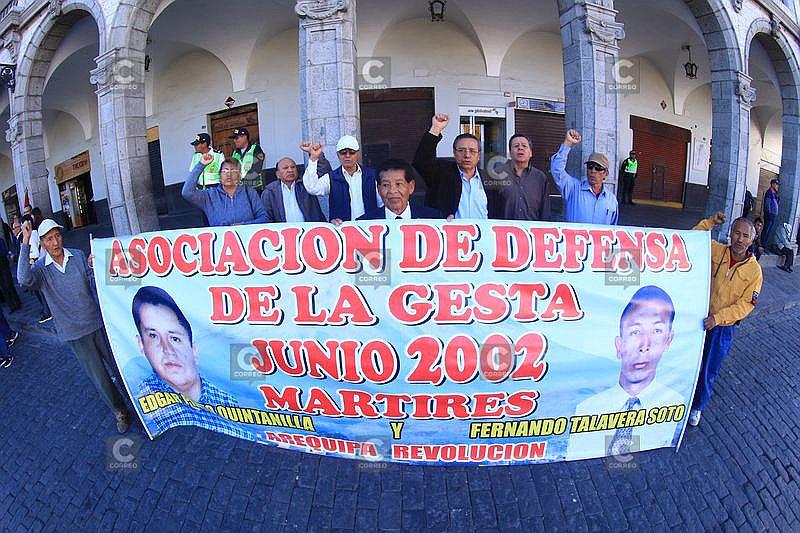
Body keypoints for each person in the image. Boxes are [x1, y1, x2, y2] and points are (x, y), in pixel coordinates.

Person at [17, 219, 131, 433]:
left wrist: (93, 267)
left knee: (119, 366)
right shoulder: (41, 270)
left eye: (57, 236)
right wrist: (25, 241)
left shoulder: (77, 256)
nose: (55, 242)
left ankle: (135, 400)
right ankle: (120, 411)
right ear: (42, 243)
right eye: (48, 239)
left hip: (97, 323)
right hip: (75, 334)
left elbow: (93, 283)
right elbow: (23, 279)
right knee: (100, 377)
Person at [566, 286, 683, 461]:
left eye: (656, 331)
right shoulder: (586, 410)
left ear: (668, 340)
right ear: (619, 345)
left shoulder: (675, 404)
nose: (644, 345)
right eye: (635, 332)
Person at [132, 286, 252, 439]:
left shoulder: (228, 401)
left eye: (175, 338)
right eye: (153, 336)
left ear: (194, 350)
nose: (167, 349)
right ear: (141, 345)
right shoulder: (145, 400)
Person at [689, 212, 762, 426]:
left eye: (745, 236)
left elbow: (746, 305)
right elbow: (692, 238)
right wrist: (711, 222)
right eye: (737, 233)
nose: (740, 239)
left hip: (722, 328)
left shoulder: (755, 271)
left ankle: (697, 406)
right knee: (689, 361)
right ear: (730, 234)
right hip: (699, 317)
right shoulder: (717, 250)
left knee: (708, 368)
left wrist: (718, 318)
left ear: (752, 240)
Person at [413, 113, 490, 220]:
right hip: (450, 230)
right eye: (461, 150)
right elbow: (421, 161)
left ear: (478, 155)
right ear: (454, 153)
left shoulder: (488, 178)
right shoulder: (442, 173)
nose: (467, 155)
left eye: (472, 151)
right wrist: (436, 129)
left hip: (483, 230)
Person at [300, 136, 382, 223]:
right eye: (343, 153)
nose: (347, 156)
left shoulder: (372, 175)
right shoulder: (331, 177)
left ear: (357, 154)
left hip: (369, 228)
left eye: (352, 152)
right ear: (338, 155)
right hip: (341, 229)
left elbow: (382, 204)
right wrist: (313, 158)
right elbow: (312, 188)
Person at [182, 152, 268, 227]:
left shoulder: (249, 193)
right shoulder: (210, 196)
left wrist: (243, 226)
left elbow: (264, 218)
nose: (229, 174)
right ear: (219, 175)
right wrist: (201, 165)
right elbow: (187, 193)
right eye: (225, 171)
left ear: (239, 176)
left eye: (233, 171)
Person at [550, 129, 618, 225]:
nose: (593, 171)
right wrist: (568, 143)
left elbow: (613, 228)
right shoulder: (573, 188)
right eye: (590, 166)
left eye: (598, 168)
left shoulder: (612, 200)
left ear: (606, 174)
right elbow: (556, 170)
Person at [358, 159, 443, 220]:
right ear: (378, 189)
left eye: (398, 184)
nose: (392, 191)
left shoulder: (433, 218)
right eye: (386, 185)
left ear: (411, 187)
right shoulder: (364, 223)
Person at [491, 134, 549, 221]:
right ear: (510, 153)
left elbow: (545, 210)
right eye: (516, 146)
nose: (520, 148)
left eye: (524, 146)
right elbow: (490, 207)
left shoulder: (540, 177)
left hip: (531, 228)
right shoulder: (497, 174)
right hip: (504, 228)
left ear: (530, 153)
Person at [261, 155, 327, 223]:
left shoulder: (306, 185)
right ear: (278, 174)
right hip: (283, 229)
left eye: (293, 167)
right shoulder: (270, 192)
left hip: (308, 228)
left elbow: (322, 172)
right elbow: (266, 218)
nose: (290, 170)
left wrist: (315, 154)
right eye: (285, 168)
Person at [230, 128, 267, 192]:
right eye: (234, 139)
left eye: (236, 138)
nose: (234, 141)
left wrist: (243, 181)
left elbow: (256, 167)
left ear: (245, 137)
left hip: (254, 187)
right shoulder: (235, 152)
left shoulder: (255, 148)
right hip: (239, 188)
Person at [0, 235, 21, 312]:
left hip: (3, 264)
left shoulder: (0, 240)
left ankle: (17, 302)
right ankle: (11, 306)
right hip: (3, 264)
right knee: (3, 287)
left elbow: (4, 251)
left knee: (9, 284)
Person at [762, 179, 780, 246]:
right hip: (769, 215)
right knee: (766, 230)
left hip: (773, 215)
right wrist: (769, 213)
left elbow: (776, 204)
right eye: (776, 184)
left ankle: (764, 244)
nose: (777, 186)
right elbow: (767, 204)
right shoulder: (769, 193)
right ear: (772, 184)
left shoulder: (774, 194)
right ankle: (762, 244)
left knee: (769, 231)